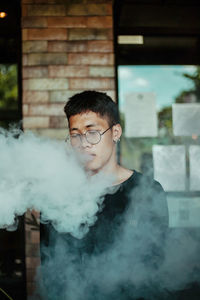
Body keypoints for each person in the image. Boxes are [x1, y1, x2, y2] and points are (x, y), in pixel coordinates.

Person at [40, 91, 169, 300]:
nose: (84, 143)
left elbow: (153, 265)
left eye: (93, 132)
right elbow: (52, 270)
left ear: (115, 132)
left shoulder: (148, 191)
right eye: (75, 135)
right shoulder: (58, 195)